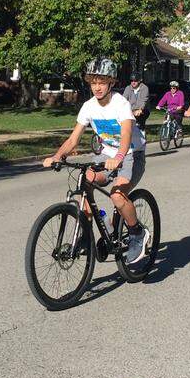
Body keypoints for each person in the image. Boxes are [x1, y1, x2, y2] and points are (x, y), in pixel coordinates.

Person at [43, 58, 149, 267]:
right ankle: (86, 234)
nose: (97, 87)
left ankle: (137, 233)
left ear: (111, 83)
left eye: (102, 82)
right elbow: (73, 139)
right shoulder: (88, 106)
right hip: (106, 155)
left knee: (118, 197)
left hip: (131, 155)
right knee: (86, 182)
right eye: (93, 82)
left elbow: (126, 133)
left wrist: (118, 157)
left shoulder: (121, 103)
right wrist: (57, 156)